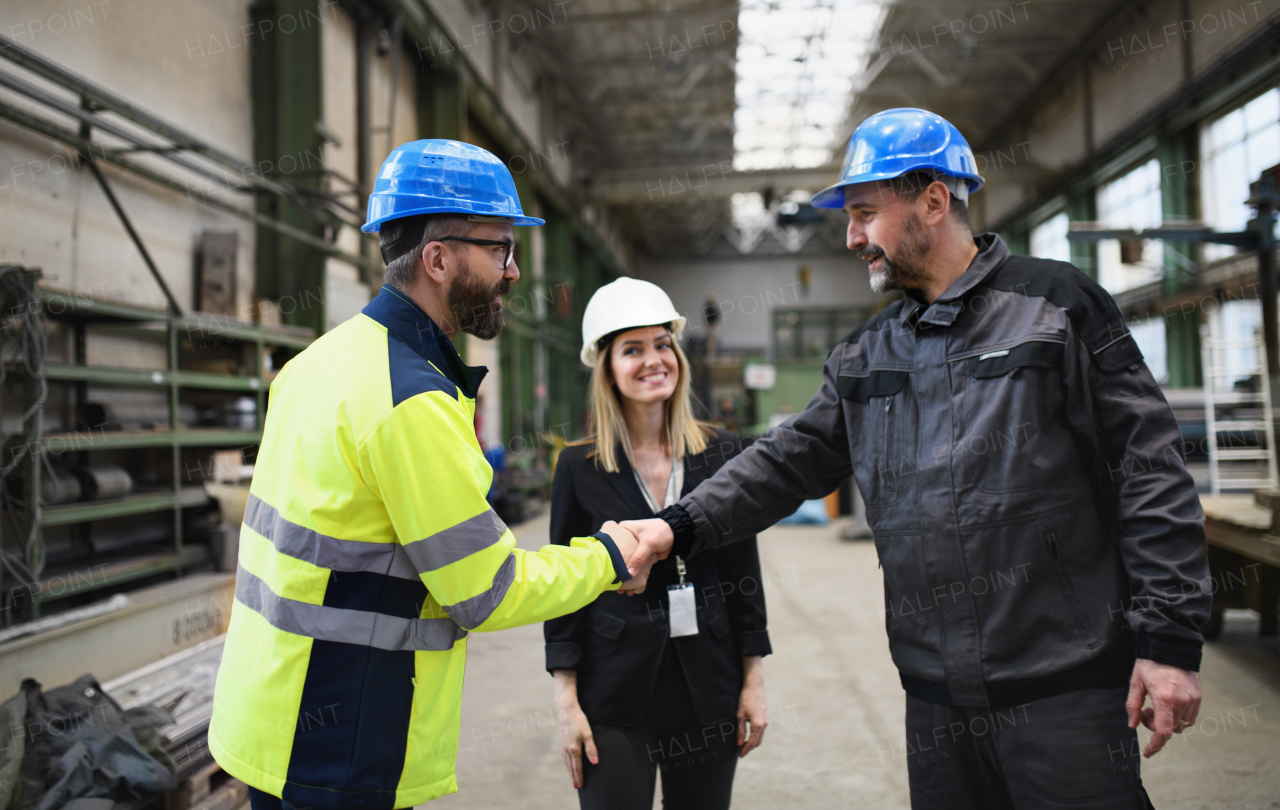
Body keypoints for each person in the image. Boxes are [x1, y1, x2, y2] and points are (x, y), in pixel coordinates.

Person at [621, 108, 1209, 809]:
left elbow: (1150, 472)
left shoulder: (1057, 308)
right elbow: (787, 461)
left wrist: (1168, 639)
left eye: (865, 212)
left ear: (934, 201)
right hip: (935, 700)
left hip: (1064, 688)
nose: (852, 236)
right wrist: (675, 525)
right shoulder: (869, 354)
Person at [208, 139, 655, 810]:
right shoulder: (408, 400)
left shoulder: (315, 363)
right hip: (341, 738)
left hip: (268, 718)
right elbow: (489, 590)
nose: (512, 273)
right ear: (439, 258)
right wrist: (610, 555)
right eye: (500, 249)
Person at [544, 278, 771, 810]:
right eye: (632, 349)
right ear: (606, 367)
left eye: (662, 344)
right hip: (615, 693)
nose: (653, 360)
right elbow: (563, 592)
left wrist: (753, 679)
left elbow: (745, 574)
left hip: (708, 690)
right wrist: (566, 700)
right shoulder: (579, 466)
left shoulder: (722, 453)